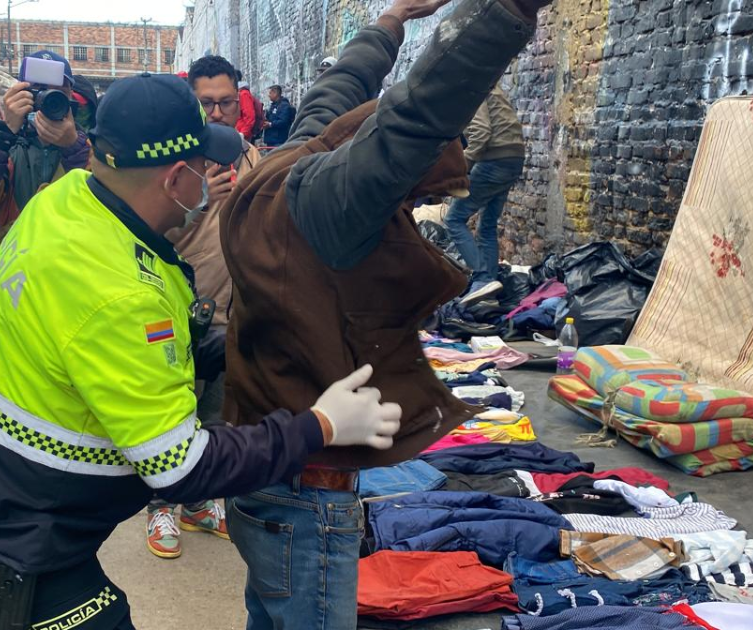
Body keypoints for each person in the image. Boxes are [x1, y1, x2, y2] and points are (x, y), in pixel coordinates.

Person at [0, 72, 400, 630]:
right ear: (177, 178)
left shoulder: (64, 200)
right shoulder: (123, 295)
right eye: (205, 166)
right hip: (20, 539)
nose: (212, 177)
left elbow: (101, 356)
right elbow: (181, 469)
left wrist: (232, 344)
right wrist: (321, 426)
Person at [219, 0, 551, 627]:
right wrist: (505, 11)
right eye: (415, 192)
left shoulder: (290, 165)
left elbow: (334, 93)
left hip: (262, 465)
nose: (416, 204)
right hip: (307, 491)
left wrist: (392, 20)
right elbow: (420, 111)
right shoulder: (331, 209)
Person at [138, 55, 265, 560]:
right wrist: (199, 202)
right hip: (177, 315)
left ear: (240, 103)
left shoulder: (252, 158)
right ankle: (161, 505)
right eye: (205, 103)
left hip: (232, 316)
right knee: (172, 416)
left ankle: (198, 503)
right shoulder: (171, 166)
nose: (216, 112)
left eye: (225, 102)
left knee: (216, 418)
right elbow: (147, 237)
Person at [0, 50, 93, 229]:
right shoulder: (7, 146)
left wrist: (72, 146)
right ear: (19, 92)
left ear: (70, 97)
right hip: (16, 249)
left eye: (58, 92)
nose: (47, 99)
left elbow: (99, 202)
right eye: (38, 90)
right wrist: (5, 133)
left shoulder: (87, 148)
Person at [448, 85, 526, 304]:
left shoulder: (470, 87)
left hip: (494, 160)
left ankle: (482, 278)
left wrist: (461, 167)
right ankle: (488, 290)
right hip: (513, 158)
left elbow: (481, 131)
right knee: (488, 225)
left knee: (454, 219)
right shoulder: (489, 83)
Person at [234, 73, 256, 140]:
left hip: (242, 135)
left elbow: (250, 116)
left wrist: (243, 133)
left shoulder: (243, 94)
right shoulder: (238, 93)